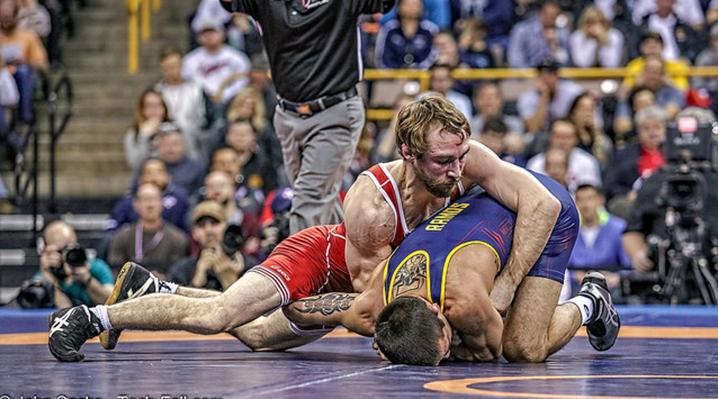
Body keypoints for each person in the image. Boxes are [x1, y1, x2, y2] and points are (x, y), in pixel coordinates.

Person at [48, 95, 565, 361]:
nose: (457, 172)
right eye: (443, 161)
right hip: (325, 263)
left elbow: (540, 202)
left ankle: (155, 290)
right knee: (223, 314)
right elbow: (372, 300)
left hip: (383, 286)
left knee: (253, 335)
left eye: (459, 157)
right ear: (408, 154)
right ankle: (90, 316)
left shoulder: (464, 159)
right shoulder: (374, 207)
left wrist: (502, 287)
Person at [282, 172, 619, 365]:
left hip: (539, 206)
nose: (448, 352)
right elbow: (299, 310)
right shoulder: (369, 306)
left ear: (435, 309)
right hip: (479, 205)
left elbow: (490, 353)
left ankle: (590, 301)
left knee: (524, 347)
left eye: (444, 342)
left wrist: (462, 341)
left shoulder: (466, 302)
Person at [218, 0, 396, 235]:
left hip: (334, 112)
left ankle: (300, 270)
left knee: (308, 197)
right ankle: (351, 256)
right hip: (288, 114)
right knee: (321, 198)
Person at [107, 183, 189, 276]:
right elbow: (115, 273)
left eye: (154, 199)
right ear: (136, 204)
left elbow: (178, 274)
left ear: (162, 203)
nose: (150, 205)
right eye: (145, 199)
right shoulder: (121, 237)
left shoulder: (177, 238)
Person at [169, 200, 245, 291]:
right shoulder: (181, 271)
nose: (208, 230)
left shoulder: (247, 267)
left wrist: (230, 281)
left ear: (227, 227)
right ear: (194, 233)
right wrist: (197, 281)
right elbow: (175, 303)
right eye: (201, 225)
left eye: (214, 223)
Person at [37, 221, 114, 308]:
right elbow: (65, 310)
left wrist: (87, 279)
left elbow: (112, 302)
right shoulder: (47, 273)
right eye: (60, 251)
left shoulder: (96, 267)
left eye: (70, 248)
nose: (65, 255)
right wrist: (51, 279)